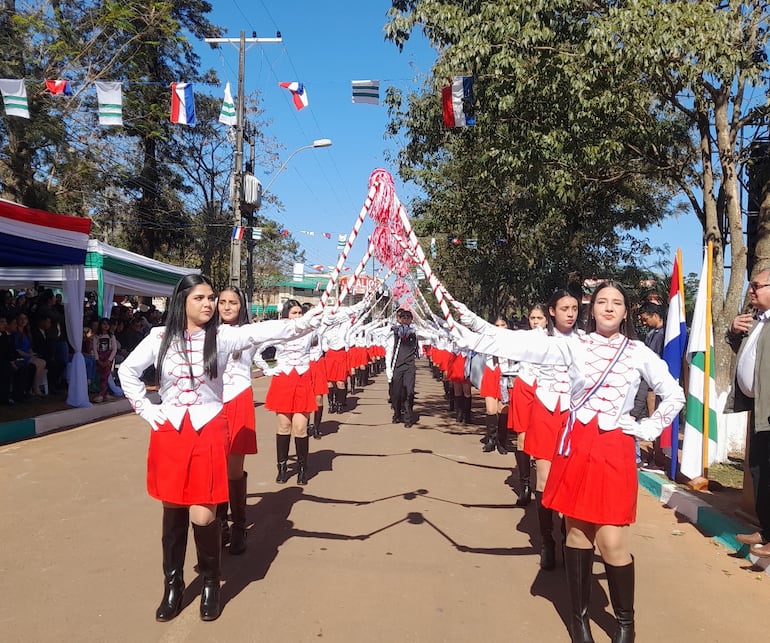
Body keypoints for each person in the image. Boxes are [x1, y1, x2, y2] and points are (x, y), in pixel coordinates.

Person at [453, 281, 684, 643]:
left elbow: (674, 394)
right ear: (592, 310)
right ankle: (579, 624)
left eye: (617, 303)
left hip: (615, 450)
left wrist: (646, 427)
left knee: (612, 541)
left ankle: (625, 624)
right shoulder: (572, 345)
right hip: (576, 446)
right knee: (577, 533)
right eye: (602, 302)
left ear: (626, 312)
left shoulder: (638, 352)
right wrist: (469, 327)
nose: (609, 308)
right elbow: (519, 344)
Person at [118, 274, 324, 622]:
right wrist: (147, 409)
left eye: (211, 297)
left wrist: (310, 321)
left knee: (204, 512)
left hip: (208, 428)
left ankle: (211, 582)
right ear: (182, 300)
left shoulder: (224, 336)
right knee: (172, 511)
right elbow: (127, 371)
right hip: (170, 430)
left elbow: (270, 332)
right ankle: (173, 585)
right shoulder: (158, 337)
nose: (209, 304)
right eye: (200, 298)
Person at [727, 268, 770, 557]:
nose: (751, 291)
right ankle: (766, 530)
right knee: (759, 471)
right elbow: (746, 356)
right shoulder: (758, 322)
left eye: (757, 286)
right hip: (759, 409)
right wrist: (733, 332)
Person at [215, 286, 258, 555]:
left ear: (241, 306)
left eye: (233, 302)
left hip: (239, 400)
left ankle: (239, 526)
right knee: (215, 467)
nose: (227, 307)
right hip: (213, 403)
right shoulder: (208, 333)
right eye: (223, 302)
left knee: (232, 469)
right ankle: (220, 526)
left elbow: (286, 333)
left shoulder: (250, 334)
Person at [259, 299, 318, 484]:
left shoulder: (310, 330)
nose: (298, 316)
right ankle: (282, 467)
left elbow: (330, 319)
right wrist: (268, 368)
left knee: (300, 427)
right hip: (283, 380)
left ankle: (302, 468)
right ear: (286, 315)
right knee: (284, 426)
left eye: (300, 313)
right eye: (294, 313)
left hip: (302, 379)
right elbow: (257, 351)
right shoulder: (278, 332)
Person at [507, 303, 549, 506]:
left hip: (545, 390)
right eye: (533, 318)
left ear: (547, 319)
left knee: (546, 439)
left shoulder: (555, 339)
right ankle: (525, 485)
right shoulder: (523, 337)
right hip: (524, 386)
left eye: (539, 318)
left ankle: (546, 483)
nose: (536, 322)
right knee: (522, 438)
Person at [480, 316, 513, 453]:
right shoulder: (487, 340)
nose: (500, 328)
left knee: (503, 410)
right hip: (491, 373)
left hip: (505, 375)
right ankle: (491, 439)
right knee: (491, 410)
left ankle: (502, 441)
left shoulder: (513, 341)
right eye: (497, 325)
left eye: (503, 325)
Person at [385, 308, 422, 427]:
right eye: (403, 317)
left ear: (411, 320)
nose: (405, 320)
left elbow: (431, 335)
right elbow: (389, 352)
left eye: (408, 318)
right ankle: (397, 413)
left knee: (409, 392)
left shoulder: (415, 333)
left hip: (409, 367)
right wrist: (388, 369)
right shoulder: (394, 333)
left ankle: (408, 418)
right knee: (396, 393)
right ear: (399, 320)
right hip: (397, 367)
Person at [91, 317, 118, 403]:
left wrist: (109, 360)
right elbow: (95, 348)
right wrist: (97, 359)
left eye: (107, 324)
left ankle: (101, 394)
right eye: (104, 324)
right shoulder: (96, 336)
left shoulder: (111, 336)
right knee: (101, 375)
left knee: (106, 375)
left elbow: (114, 349)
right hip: (100, 356)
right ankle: (105, 393)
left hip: (108, 356)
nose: (106, 326)